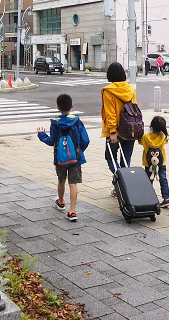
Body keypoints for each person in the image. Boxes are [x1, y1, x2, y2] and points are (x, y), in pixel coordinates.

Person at [37, 94, 90, 222]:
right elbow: (86, 140)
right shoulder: (77, 121)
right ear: (72, 106)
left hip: (60, 158)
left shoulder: (55, 123)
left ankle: (61, 202)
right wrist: (78, 151)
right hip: (75, 158)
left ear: (58, 107)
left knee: (61, 180)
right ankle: (72, 211)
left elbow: (51, 141)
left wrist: (41, 134)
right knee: (73, 183)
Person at [101, 62, 137, 196]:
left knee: (110, 157)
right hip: (131, 129)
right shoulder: (130, 89)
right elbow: (134, 110)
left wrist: (112, 132)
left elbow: (110, 113)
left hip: (116, 131)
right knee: (125, 160)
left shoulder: (108, 91)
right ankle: (121, 189)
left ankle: (121, 183)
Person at [139, 115, 169, 207]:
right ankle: (166, 198)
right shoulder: (163, 137)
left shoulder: (146, 137)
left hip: (148, 163)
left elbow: (140, 142)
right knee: (163, 179)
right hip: (161, 163)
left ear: (151, 126)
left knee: (149, 180)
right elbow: (166, 142)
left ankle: (148, 198)